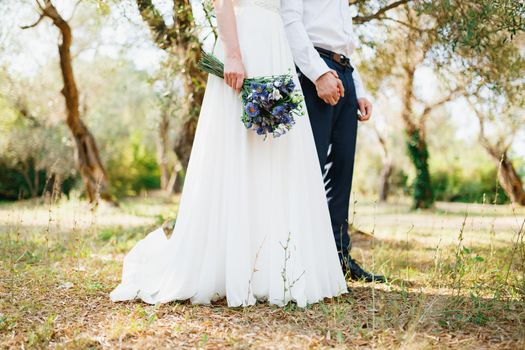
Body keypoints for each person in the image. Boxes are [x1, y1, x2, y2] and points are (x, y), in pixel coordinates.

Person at [109, 0, 347, 308]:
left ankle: (273, 268)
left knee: (275, 153)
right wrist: (233, 54)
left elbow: (291, 18)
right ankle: (229, 265)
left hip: (277, 50)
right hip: (244, 44)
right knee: (238, 148)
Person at [282, 0, 386, 283]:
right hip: (314, 71)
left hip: (344, 73)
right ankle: (298, 259)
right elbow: (290, 22)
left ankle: (339, 256)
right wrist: (318, 73)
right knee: (309, 169)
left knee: (341, 172)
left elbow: (345, 45)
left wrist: (358, 89)